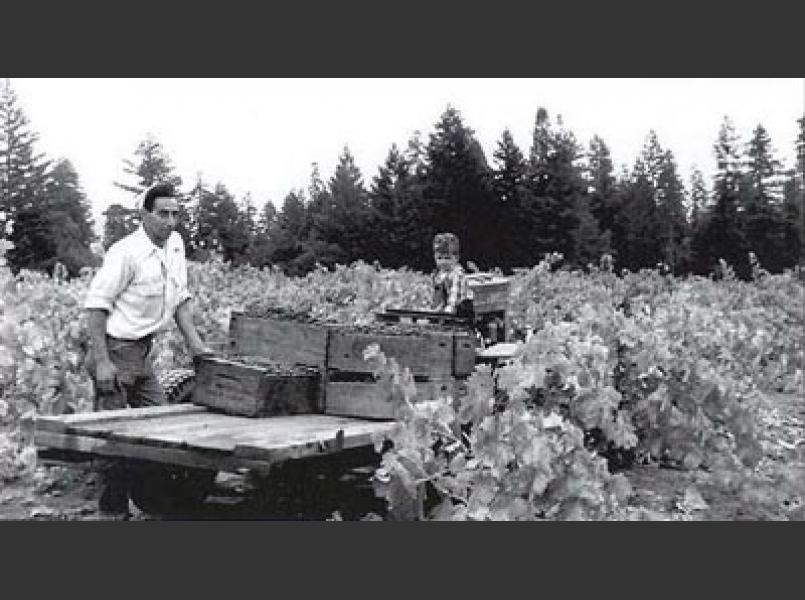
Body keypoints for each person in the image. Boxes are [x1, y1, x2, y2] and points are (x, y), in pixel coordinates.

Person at [84, 183, 213, 519]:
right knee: (114, 439)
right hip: (114, 350)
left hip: (142, 354)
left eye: (175, 214)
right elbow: (96, 307)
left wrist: (196, 344)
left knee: (159, 433)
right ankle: (111, 514)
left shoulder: (175, 246)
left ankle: (150, 505)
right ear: (144, 215)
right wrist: (101, 361)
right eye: (162, 214)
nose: (170, 221)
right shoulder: (125, 253)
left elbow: (180, 298)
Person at [431, 232, 474, 321]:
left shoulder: (457, 274)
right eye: (439, 258)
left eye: (447, 258)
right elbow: (439, 298)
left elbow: (454, 299)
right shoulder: (440, 274)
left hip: (461, 311)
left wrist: (446, 313)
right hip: (447, 309)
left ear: (456, 258)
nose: (443, 262)